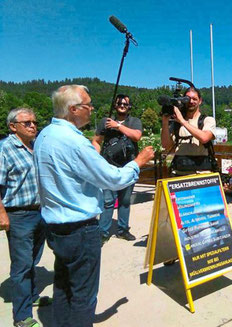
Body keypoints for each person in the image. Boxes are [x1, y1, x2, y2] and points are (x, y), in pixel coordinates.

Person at [33, 85, 154, 327]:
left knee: (63, 287)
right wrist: (138, 163)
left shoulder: (44, 135)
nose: (92, 110)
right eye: (89, 106)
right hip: (79, 229)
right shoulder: (74, 142)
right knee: (82, 296)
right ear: (74, 109)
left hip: (56, 227)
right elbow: (112, 179)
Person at [0, 108, 49, 327]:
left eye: (34, 122)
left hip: (39, 212)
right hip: (18, 214)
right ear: (13, 126)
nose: (33, 126)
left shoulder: (35, 147)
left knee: (33, 260)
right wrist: (2, 215)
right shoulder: (4, 150)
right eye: (27, 123)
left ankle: (30, 297)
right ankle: (21, 317)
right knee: (21, 265)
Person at [92, 94, 142, 243]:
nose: (122, 105)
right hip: (108, 167)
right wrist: (96, 158)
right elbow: (96, 140)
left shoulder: (134, 121)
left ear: (129, 106)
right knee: (108, 201)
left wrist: (118, 126)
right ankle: (103, 232)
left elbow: (136, 136)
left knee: (125, 201)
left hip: (128, 166)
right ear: (115, 105)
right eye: (119, 103)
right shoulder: (104, 122)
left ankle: (122, 229)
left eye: (125, 104)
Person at [161, 87, 216, 176]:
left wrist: (183, 121)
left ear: (200, 101)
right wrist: (165, 121)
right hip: (179, 174)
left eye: (194, 99)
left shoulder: (207, 120)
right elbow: (166, 145)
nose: (191, 102)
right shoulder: (176, 123)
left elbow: (204, 138)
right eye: (187, 99)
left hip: (201, 175)